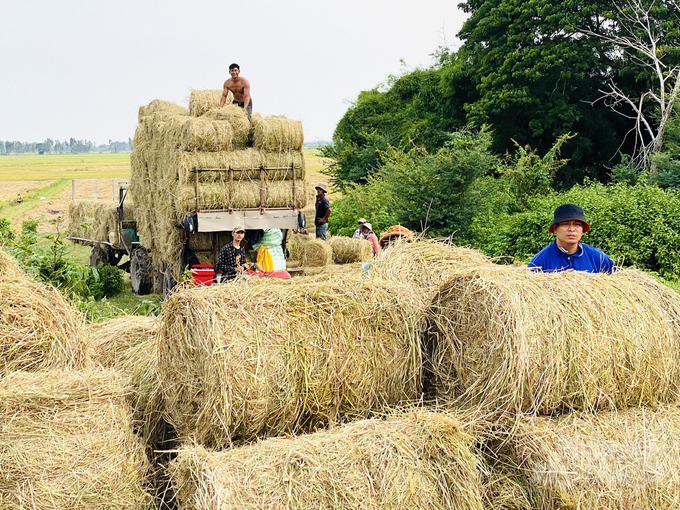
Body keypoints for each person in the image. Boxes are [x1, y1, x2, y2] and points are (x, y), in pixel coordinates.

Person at [528, 204, 615, 273]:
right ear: (555, 229)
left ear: (582, 230)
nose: (572, 229)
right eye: (565, 224)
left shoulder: (598, 258)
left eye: (577, 224)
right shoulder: (538, 263)